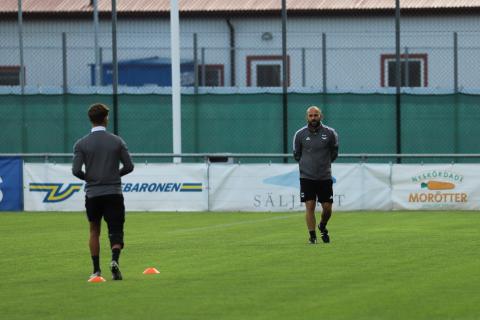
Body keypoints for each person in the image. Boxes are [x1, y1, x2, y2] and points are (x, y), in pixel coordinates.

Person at [72, 103, 134, 280]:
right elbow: (129, 166)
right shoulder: (117, 141)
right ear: (106, 118)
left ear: (90, 119)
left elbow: (76, 171)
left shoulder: (81, 144)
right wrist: (114, 174)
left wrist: (90, 178)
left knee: (94, 230)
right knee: (116, 230)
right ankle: (114, 262)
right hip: (113, 192)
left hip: (93, 194)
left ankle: (96, 270)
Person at [293, 106, 338, 244]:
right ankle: (312, 237)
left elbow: (334, 153)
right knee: (310, 205)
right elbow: (296, 154)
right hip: (307, 177)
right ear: (307, 117)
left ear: (321, 116)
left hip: (324, 177)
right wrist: (307, 165)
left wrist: (323, 165)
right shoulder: (299, 134)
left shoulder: (330, 133)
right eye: (311, 115)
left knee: (327, 208)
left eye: (316, 115)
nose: (313, 118)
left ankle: (322, 225)